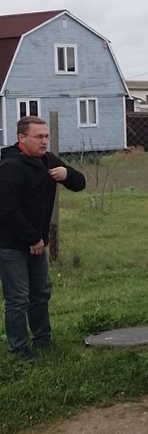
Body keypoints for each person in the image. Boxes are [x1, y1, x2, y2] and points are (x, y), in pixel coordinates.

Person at [0, 116, 86, 360]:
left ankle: (43, 341)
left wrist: (67, 174)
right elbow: (7, 211)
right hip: (11, 244)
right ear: (21, 138)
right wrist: (32, 238)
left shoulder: (47, 160)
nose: (44, 141)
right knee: (18, 299)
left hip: (36, 242)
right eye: (38, 136)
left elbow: (80, 184)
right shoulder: (10, 167)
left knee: (40, 294)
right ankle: (18, 352)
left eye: (46, 136)